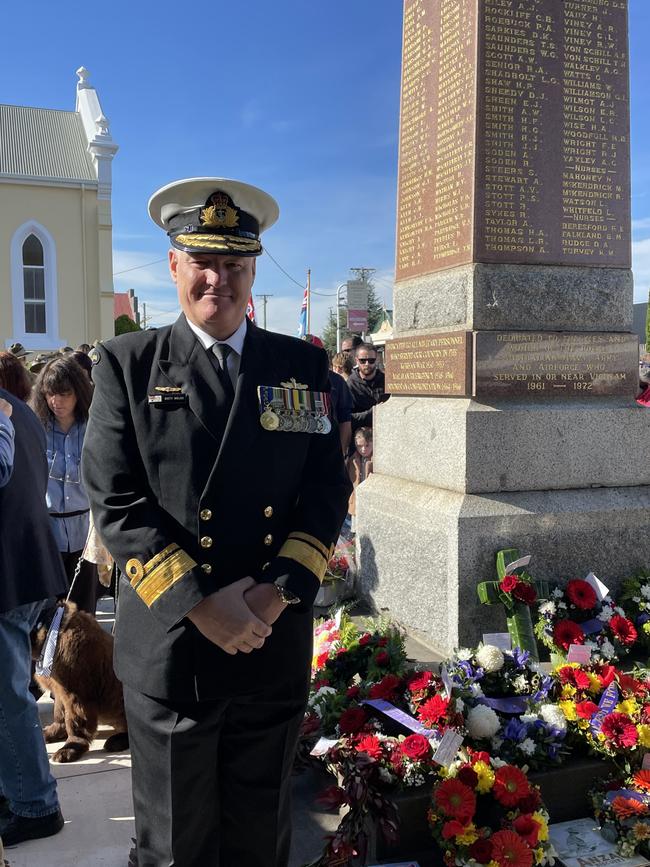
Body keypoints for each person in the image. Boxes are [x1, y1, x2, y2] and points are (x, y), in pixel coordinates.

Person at [82, 177, 351, 866]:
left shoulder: (302, 366)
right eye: (202, 260)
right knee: (177, 847)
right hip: (175, 659)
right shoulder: (127, 364)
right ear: (173, 264)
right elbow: (115, 498)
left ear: (254, 269)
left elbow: (325, 494)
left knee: (261, 842)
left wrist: (270, 594)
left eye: (234, 264)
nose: (217, 279)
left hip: (269, 643)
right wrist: (200, 605)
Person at [0, 387, 67, 847]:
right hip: (24, 566)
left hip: (7, 574)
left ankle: (35, 804)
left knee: (7, 698)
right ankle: (18, 790)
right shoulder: (17, 406)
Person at [29, 356, 99, 615]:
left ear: (78, 393)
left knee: (84, 616)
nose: (56, 401)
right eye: (50, 394)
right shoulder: (37, 428)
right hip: (47, 536)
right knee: (48, 617)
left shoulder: (94, 426)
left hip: (86, 536)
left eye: (64, 394)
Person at [303, 335, 351, 455]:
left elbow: (345, 421)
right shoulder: (289, 379)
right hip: (297, 451)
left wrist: (341, 454)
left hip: (327, 450)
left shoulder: (337, 381)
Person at [347, 341, 389, 434]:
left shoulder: (386, 381)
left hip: (385, 433)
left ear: (377, 359)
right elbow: (347, 417)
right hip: (360, 439)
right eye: (362, 360)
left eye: (371, 360)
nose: (367, 364)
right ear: (356, 360)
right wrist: (374, 411)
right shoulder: (350, 384)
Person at [347, 426, 373, 522]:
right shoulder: (353, 460)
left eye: (367, 445)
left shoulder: (376, 461)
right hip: (356, 499)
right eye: (359, 446)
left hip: (370, 501)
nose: (363, 450)